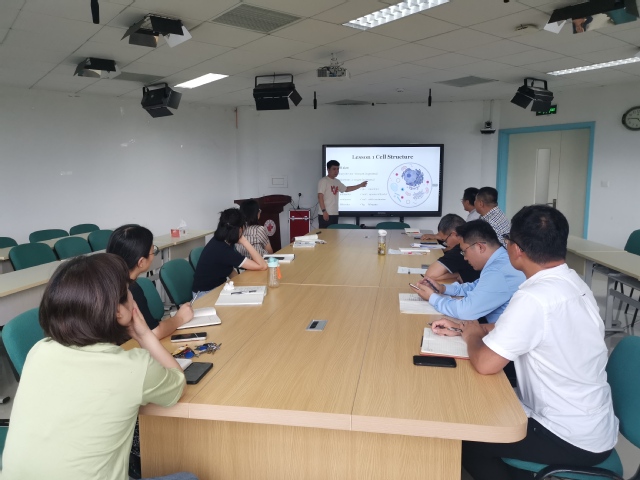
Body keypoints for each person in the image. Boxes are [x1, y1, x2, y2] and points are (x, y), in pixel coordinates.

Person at [431, 205, 618, 480]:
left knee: (467, 438)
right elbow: (520, 328)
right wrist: (467, 328)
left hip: (568, 436)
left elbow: (485, 364)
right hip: (592, 424)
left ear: (517, 249)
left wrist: (471, 335)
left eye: (507, 241)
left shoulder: (534, 297)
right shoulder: (574, 283)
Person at [1, 254, 198, 480]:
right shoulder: (133, 367)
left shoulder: (39, 350)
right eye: (128, 291)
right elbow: (177, 384)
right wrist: (144, 335)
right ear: (118, 311)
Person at [415, 220, 525, 323]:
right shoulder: (501, 259)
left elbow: (465, 311)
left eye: (464, 252)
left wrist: (432, 298)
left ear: (480, 247)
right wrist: (442, 288)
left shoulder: (498, 271)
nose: (465, 258)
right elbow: (475, 287)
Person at [107, 224, 194, 339]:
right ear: (141, 262)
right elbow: (153, 332)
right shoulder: (130, 289)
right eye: (153, 252)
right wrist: (180, 318)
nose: (154, 256)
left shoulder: (103, 282)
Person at [192, 208, 267, 295]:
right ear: (240, 229)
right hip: (204, 295)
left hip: (214, 288)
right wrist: (244, 241)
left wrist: (242, 285)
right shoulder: (223, 250)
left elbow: (229, 270)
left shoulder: (221, 240)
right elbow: (262, 266)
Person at [423, 214, 480, 284]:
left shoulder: (460, 249)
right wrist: (457, 274)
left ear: (454, 234)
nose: (446, 244)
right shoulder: (474, 240)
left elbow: (430, 275)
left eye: (445, 240)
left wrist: (455, 274)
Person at [318, 160, 368, 228]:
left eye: (337, 169)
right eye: (334, 169)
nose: (336, 171)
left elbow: (346, 189)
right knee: (325, 233)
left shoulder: (337, 181)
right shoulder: (324, 181)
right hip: (325, 213)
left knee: (333, 233)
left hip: (334, 213)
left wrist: (360, 185)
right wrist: (324, 211)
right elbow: (320, 197)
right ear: (328, 169)